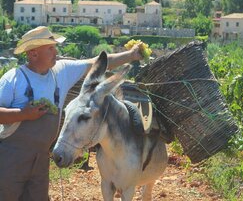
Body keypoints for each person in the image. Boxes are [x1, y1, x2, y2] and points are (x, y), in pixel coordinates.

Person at [0, 26, 142, 201]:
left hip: (42, 159)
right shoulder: (13, 79)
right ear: (34, 54)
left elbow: (96, 62)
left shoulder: (61, 71)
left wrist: (131, 55)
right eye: (50, 48)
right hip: (12, 158)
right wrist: (24, 114)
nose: (56, 51)